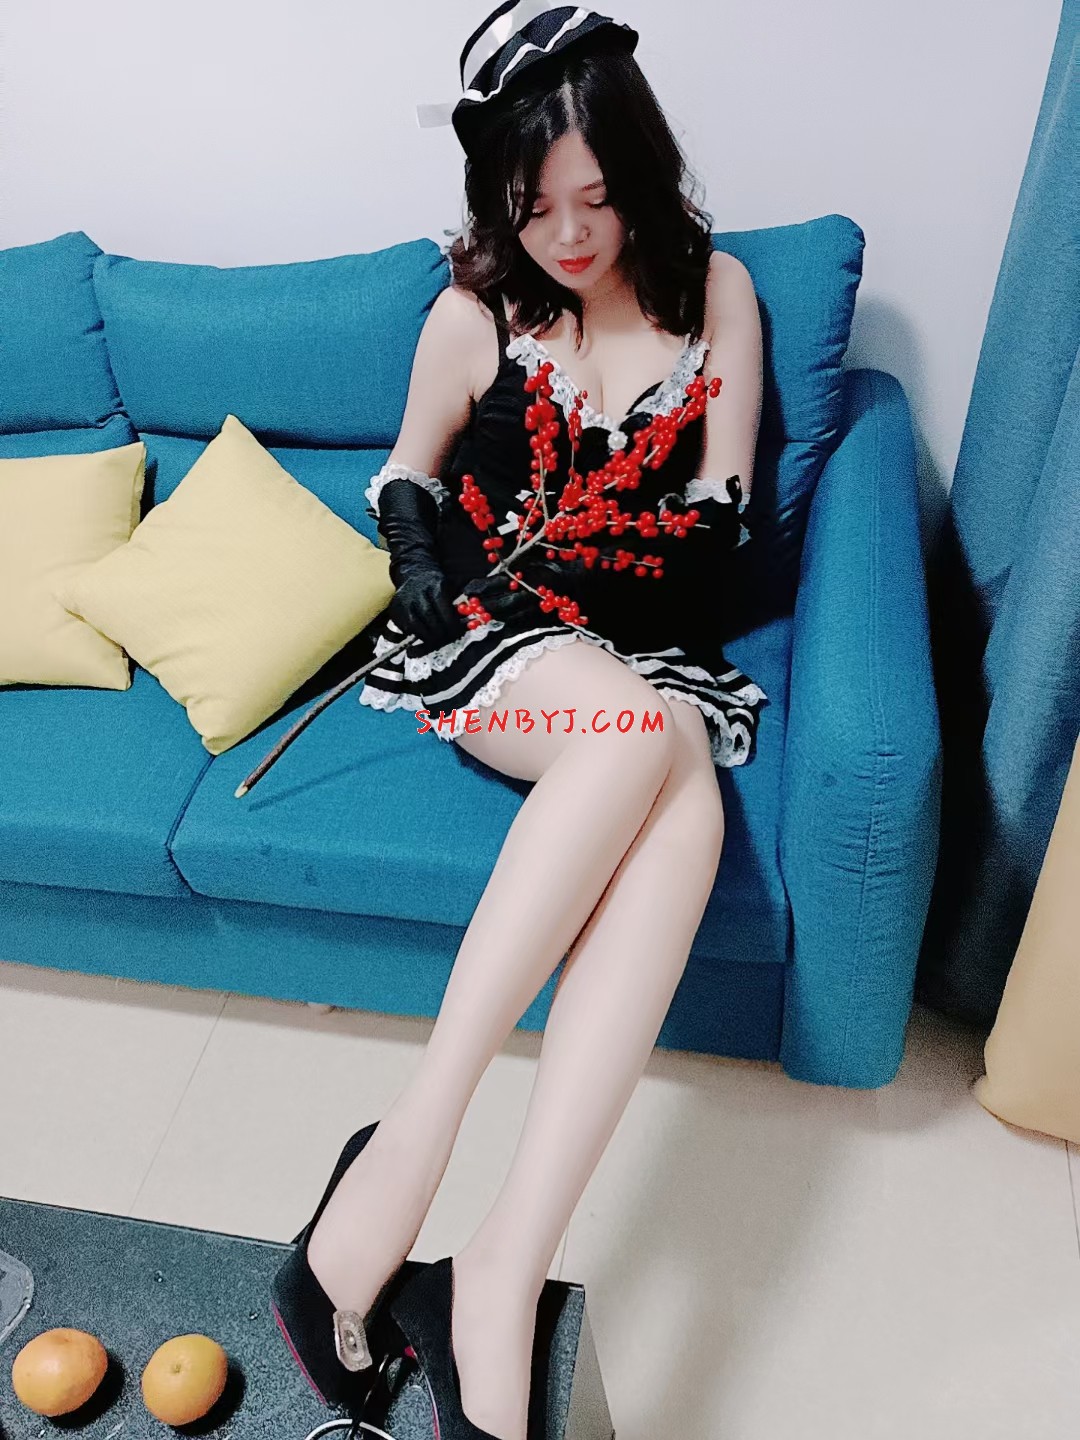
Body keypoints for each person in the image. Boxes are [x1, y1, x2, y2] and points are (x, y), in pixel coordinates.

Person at [271, 5, 768, 1437]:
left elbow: (724, 498)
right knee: (637, 738)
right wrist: (422, 566)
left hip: (644, 653)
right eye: (534, 207)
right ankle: (413, 1157)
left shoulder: (715, 294)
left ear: (641, 172)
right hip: (503, 644)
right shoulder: (473, 313)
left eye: (596, 198)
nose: (569, 235)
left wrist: (689, 521)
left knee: (682, 787)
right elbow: (408, 475)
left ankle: (499, 1267)